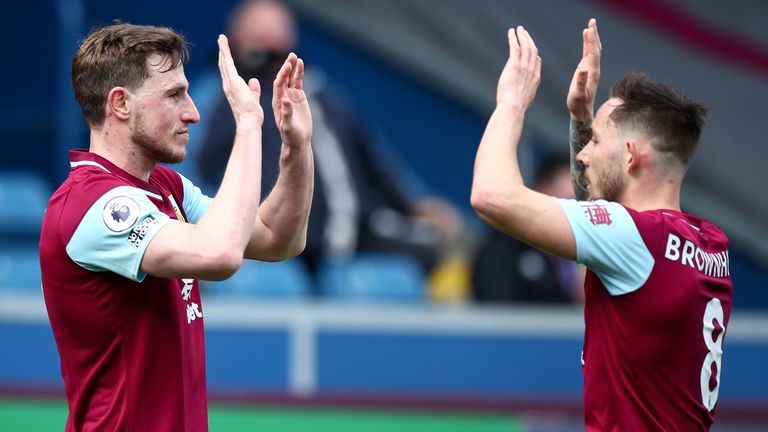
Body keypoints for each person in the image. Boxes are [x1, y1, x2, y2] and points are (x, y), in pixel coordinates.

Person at [39, 22, 314, 431]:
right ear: (120, 104)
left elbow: (276, 239)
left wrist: (296, 147)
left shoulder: (163, 186)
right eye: (173, 95)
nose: (193, 112)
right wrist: (248, 124)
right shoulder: (92, 204)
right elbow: (219, 253)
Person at [470, 19, 733, 430]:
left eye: (594, 143)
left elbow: (491, 196)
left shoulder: (634, 239)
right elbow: (601, 211)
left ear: (631, 157)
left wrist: (511, 104)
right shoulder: (710, 244)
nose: (581, 156)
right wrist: (582, 118)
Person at [193, 0, 460, 286]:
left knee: (433, 243)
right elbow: (191, 172)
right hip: (269, 234)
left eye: (276, 36)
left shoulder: (325, 95)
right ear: (235, 41)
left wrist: (415, 203)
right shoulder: (217, 97)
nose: (268, 46)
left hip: (357, 230)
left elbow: (377, 162)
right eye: (258, 36)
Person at [471, 154, 583, 303]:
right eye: (567, 201)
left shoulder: (589, 251)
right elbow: (499, 319)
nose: (573, 214)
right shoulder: (500, 253)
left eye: (579, 204)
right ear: (542, 191)